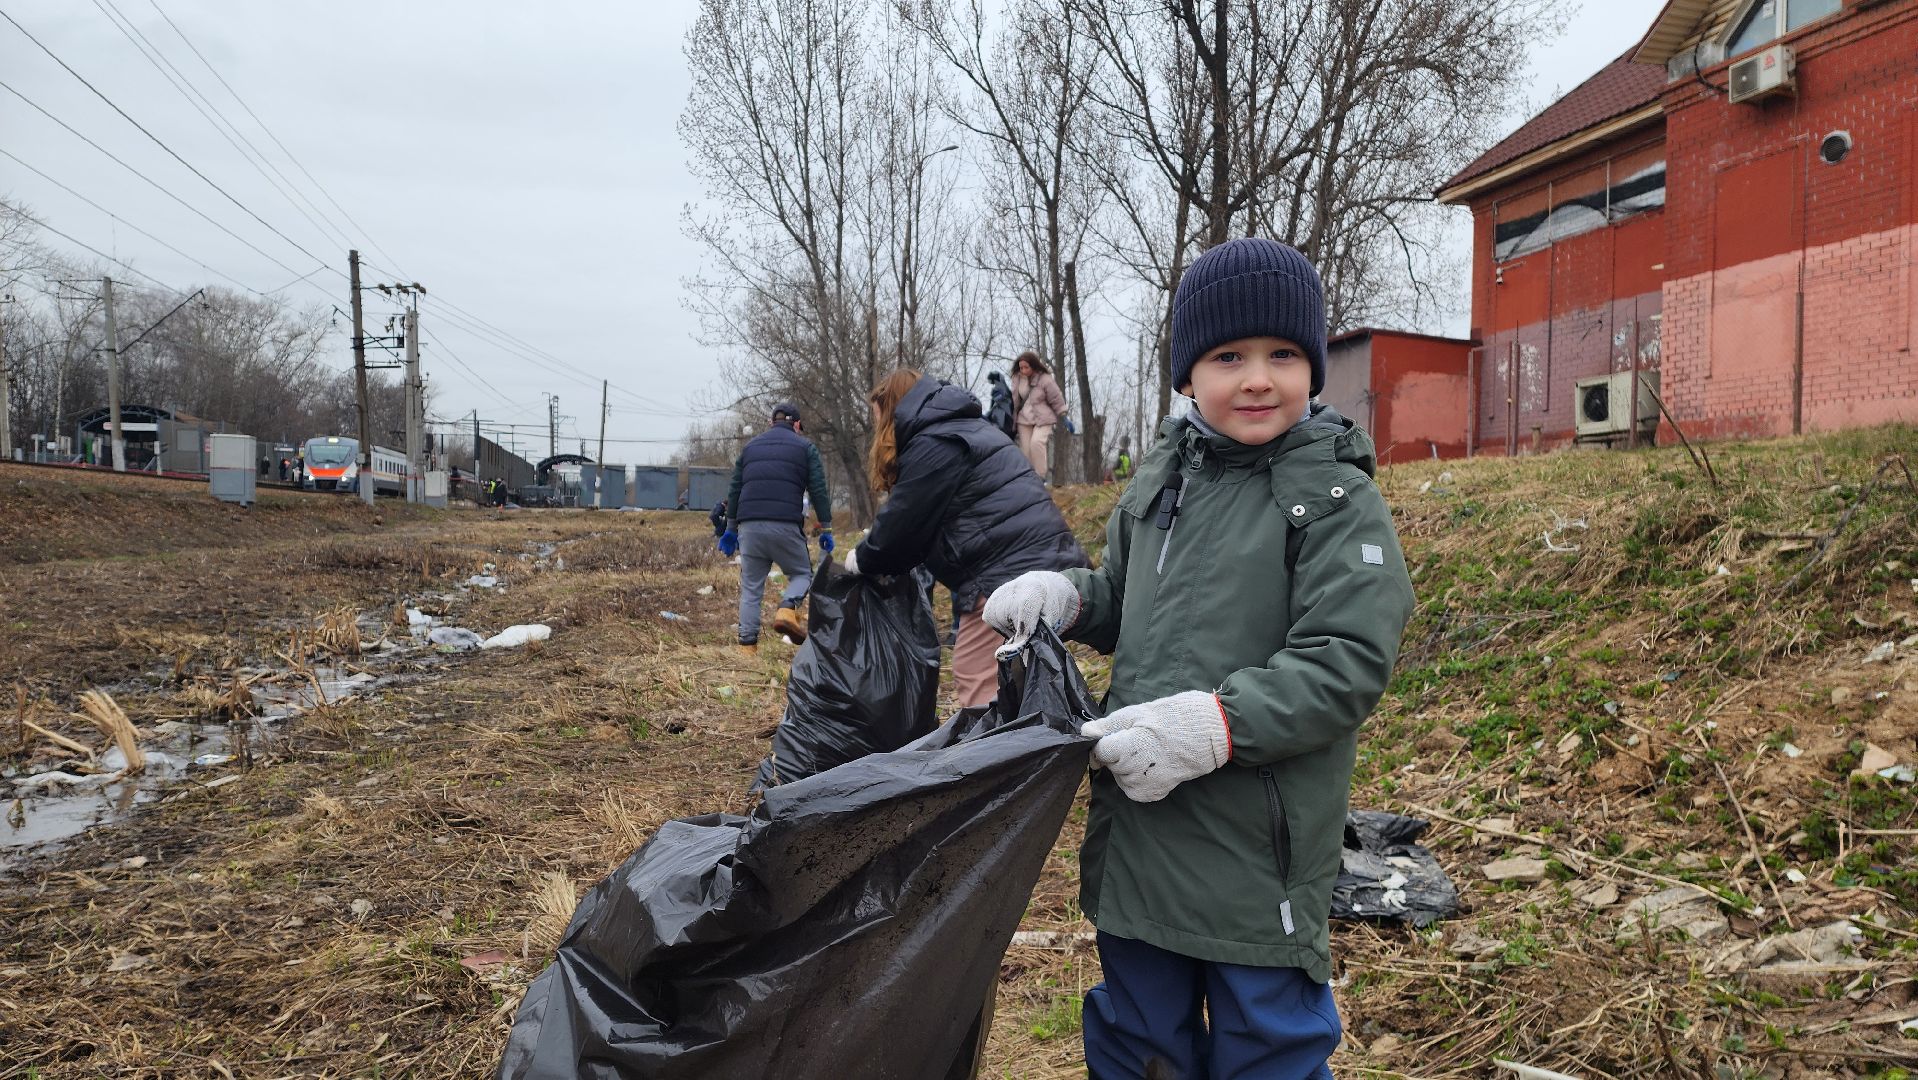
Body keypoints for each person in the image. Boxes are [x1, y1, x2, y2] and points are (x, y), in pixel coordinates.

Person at [983, 237, 1416, 1079]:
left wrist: (1215, 725)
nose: (1258, 377)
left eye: (1283, 354)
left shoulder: (1334, 499)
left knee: (1269, 1049)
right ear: (1188, 376)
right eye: (1229, 356)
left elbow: (1347, 662)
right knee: (1141, 1041)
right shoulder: (1161, 481)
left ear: (1313, 369)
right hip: (1143, 835)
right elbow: (1126, 596)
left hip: (1258, 846)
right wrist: (1068, 600)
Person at [840, 369, 1086, 708]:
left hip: (1008, 576)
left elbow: (901, 527)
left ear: (893, 408)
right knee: (1021, 682)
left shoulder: (934, 442)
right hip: (1047, 564)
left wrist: (862, 558)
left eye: (878, 418)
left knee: (977, 677)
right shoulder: (965, 429)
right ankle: (1033, 747)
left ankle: (1003, 758)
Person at [720, 403, 833, 655]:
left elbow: (735, 490)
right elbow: (818, 490)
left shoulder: (749, 448)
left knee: (751, 588)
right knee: (803, 574)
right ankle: (786, 609)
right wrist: (826, 528)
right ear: (796, 425)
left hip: (749, 528)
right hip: (784, 526)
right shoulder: (805, 448)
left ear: (772, 423)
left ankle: (747, 649)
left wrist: (730, 528)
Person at [1008, 350, 1067, 481]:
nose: (1023, 370)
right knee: (1026, 451)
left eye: (1026, 367)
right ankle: (1029, 478)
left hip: (1043, 418)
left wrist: (1063, 415)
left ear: (1033, 366)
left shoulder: (1045, 379)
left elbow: (1056, 398)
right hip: (1024, 419)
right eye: (1021, 367)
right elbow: (1014, 399)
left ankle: (1040, 477)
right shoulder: (1017, 378)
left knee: (1037, 443)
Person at [984, 370, 1016, 439]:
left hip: (1004, 418)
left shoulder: (1000, 389)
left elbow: (997, 401)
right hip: (1005, 418)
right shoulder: (1003, 389)